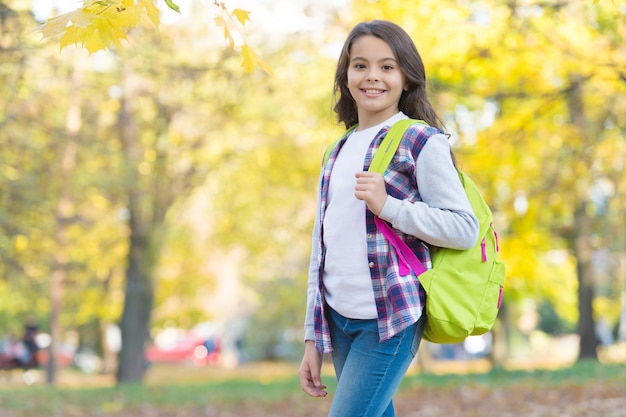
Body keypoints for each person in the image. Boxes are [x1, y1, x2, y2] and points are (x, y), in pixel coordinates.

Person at [298, 20, 480, 416]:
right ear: (346, 75)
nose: (372, 77)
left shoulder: (420, 141)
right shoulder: (337, 150)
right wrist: (314, 338)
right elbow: (320, 249)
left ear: (406, 77)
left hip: (391, 317)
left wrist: (390, 207)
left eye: (387, 66)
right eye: (360, 65)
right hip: (340, 319)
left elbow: (466, 229)